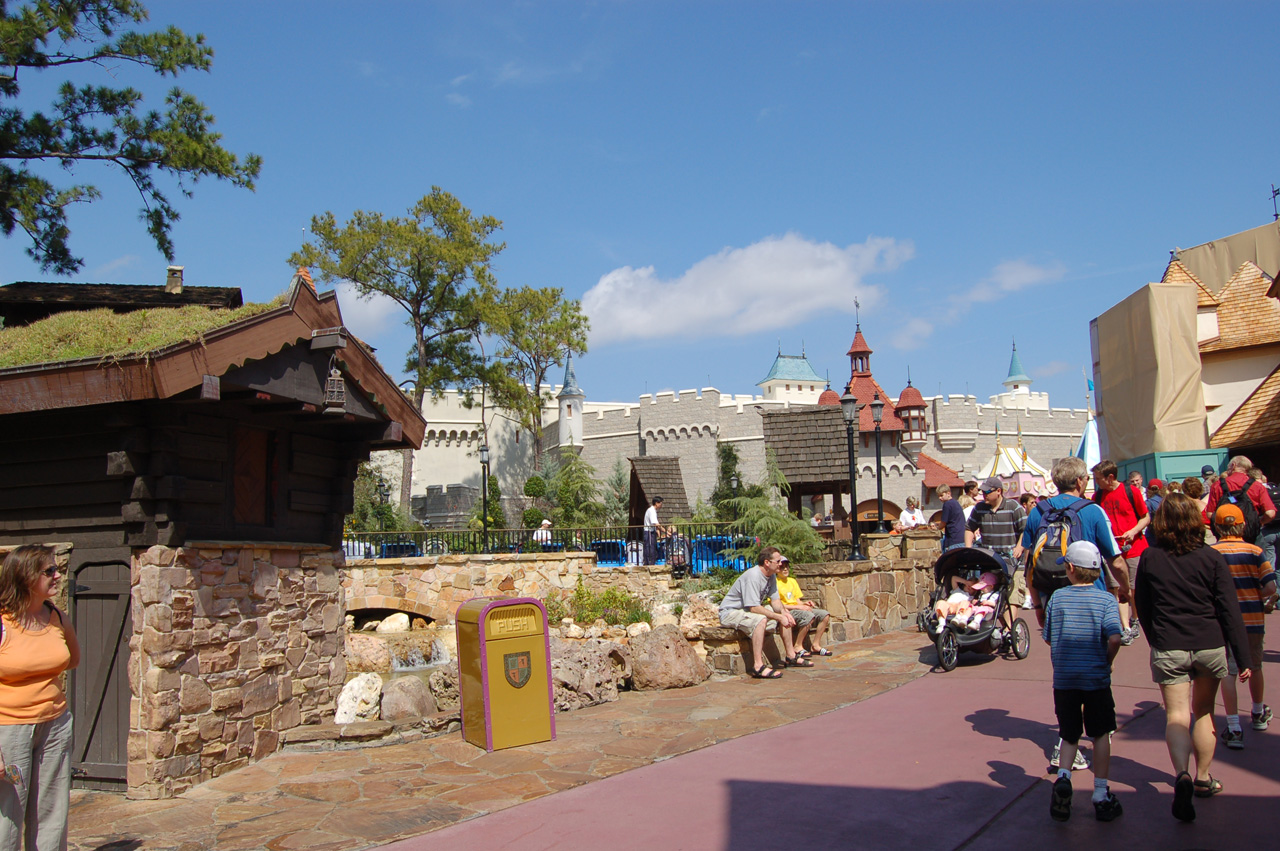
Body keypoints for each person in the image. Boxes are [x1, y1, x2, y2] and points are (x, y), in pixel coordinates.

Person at [1135, 492, 1252, 822]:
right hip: (1209, 643)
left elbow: (1142, 604)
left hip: (1169, 643)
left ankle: (1182, 774)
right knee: (1203, 713)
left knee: (1175, 715)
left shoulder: (1150, 558)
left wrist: (1155, 637)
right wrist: (1242, 658)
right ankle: (1203, 778)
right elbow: (1229, 609)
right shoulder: (1211, 558)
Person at [1023, 456, 1129, 771]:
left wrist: (1039, 604)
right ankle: (1086, 734)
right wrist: (1126, 588)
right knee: (1096, 671)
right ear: (1081, 481)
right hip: (1092, 600)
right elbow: (1116, 558)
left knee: (1066, 673)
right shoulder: (1092, 511)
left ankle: (1069, 737)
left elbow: (1030, 563)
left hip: (1054, 600)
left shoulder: (1038, 511)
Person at [0, 545, 81, 851]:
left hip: (55, 726)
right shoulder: (3, 622)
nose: (57, 575)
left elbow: (71, 660)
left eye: (56, 568)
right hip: (9, 731)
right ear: (25, 576)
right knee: (8, 812)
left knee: (51, 811)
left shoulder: (57, 617)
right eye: (49, 571)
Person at [1042, 541, 1124, 823]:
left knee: (1069, 732)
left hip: (1065, 678)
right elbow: (1115, 636)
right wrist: (1107, 660)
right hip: (1096, 677)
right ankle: (1100, 792)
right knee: (1100, 733)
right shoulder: (1105, 600)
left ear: (1071, 569)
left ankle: (1064, 777)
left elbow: (1050, 636)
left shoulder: (1058, 598)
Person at [1210, 503, 1277, 749]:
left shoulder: (1211, 552)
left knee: (1228, 670)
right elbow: (1270, 587)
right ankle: (1258, 713)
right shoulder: (1255, 551)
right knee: (1255, 665)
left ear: (1216, 526)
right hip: (1252, 619)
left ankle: (1234, 726)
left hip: (1223, 621)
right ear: (1242, 525)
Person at [718, 547, 807, 678]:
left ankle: (791, 656)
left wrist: (784, 612)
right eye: (778, 561)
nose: (781, 564)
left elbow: (776, 602)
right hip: (730, 613)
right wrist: (778, 617)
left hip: (747, 611)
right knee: (760, 620)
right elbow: (754, 608)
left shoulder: (771, 577)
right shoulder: (753, 576)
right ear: (767, 562)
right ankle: (758, 666)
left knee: (784, 615)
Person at [1091, 460, 1149, 644]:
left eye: (1098, 478)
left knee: (1134, 588)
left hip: (1134, 548)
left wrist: (1133, 531)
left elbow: (1145, 517)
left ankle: (1135, 619)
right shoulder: (1098, 497)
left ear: (1110, 477)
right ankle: (1125, 628)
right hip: (1112, 550)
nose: (1096, 482)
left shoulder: (1130, 492)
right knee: (1118, 589)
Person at [965, 477, 1027, 622]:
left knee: (1012, 597)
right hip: (991, 561)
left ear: (998, 491)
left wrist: (1019, 547)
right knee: (992, 597)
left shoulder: (1013, 507)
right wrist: (968, 549)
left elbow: (1026, 529)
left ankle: (1010, 630)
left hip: (1013, 561)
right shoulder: (980, 509)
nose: (984, 495)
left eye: (987, 492)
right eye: (983, 492)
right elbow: (969, 528)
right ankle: (1004, 629)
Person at [1204, 455, 1276, 534]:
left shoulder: (1217, 485)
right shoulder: (1257, 486)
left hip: (1226, 534)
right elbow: (1270, 513)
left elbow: (1210, 514)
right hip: (1251, 533)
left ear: (1233, 465)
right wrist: (1259, 522)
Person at [775, 557, 831, 656]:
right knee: (808, 616)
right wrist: (798, 607)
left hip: (797, 608)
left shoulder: (792, 581)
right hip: (787, 611)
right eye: (782, 567)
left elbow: (797, 601)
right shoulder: (775, 583)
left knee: (824, 615)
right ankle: (797, 646)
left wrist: (804, 604)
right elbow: (777, 604)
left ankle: (815, 645)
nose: (785, 569)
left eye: (787, 567)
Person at [937, 485, 965, 550]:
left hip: (954, 539)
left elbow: (943, 523)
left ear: (948, 493)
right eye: (938, 496)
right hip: (962, 538)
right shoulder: (956, 503)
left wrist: (937, 528)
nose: (939, 498)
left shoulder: (947, 504)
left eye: (941, 495)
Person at [642, 496, 664, 565]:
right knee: (650, 548)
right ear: (656, 503)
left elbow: (655, 524)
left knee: (652, 547)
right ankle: (649, 563)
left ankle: (651, 561)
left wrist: (658, 532)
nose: (661, 505)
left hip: (652, 531)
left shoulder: (653, 511)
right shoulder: (651, 511)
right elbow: (655, 523)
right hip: (648, 532)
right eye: (660, 503)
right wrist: (665, 530)